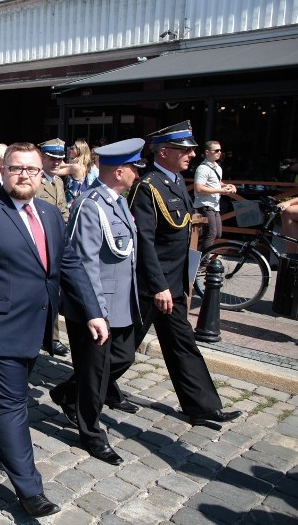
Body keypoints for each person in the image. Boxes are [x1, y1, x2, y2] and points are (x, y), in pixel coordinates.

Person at [0, 142, 106, 518]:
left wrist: (92, 311)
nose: (24, 175)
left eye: (31, 169)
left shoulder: (49, 213)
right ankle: (29, 490)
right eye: (16, 168)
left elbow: (69, 263)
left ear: (41, 174)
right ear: (2, 171)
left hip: (36, 323)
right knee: (13, 404)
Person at [124, 121, 241, 424]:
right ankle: (74, 394)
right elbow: (144, 242)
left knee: (183, 345)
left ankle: (202, 406)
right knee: (121, 350)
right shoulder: (147, 186)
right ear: (164, 152)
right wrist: (159, 285)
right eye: (184, 150)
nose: (191, 155)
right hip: (151, 287)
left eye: (191, 150)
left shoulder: (176, 182)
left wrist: (179, 283)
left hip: (173, 285)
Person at [50, 138, 145, 466]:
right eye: (134, 168)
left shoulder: (118, 202)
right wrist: (96, 312)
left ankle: (66, 393)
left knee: (122, 357)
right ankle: (91, 433)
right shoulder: (89, 205)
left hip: (119, 304)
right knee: (94, 374)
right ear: (119, 171)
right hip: (93, 308)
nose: (137, 173)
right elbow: (82, 261)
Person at [37, 138, 71, 356]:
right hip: (39, 243)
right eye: (52, 159)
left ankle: (52, 337)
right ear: (43, 158)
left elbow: (63, 210)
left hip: (56, 243)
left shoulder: (57, 181)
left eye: (60, 159)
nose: (57, 163)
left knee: (54, 292)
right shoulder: (35, 180)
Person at [193, 140, 236, 253]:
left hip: (215, 205)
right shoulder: (203, 168)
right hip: (205, 204)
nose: (219, 152)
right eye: (216, 150)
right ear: (207, 152)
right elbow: (199, 188)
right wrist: (220, 191)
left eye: (220, 150)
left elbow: (217, 182)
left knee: (217, 234)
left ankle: (196, 250)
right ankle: (203, 262)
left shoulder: (217, 167)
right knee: (211, 233)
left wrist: (228, 185)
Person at [62, 139, 99, 208]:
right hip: (78, 202)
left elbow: (56, 172)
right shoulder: (83, 165)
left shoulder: (76, 167)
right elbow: (63, 165)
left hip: (71, 204)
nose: (70, 150)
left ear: (79, 151)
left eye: (72, 148)